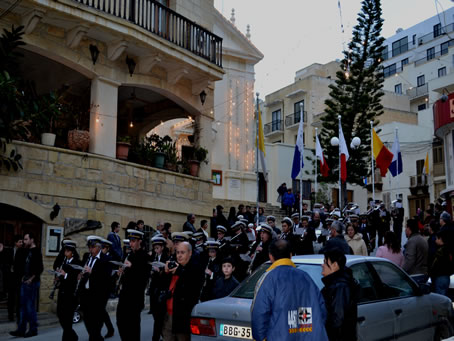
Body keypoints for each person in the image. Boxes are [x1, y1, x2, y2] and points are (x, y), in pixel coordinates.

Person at [251, 239, 328, 341]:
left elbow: (259, 314)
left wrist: (262, 338)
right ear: (291, 255)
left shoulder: (267, 278)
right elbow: (321, 310)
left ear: (270, 256)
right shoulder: (306, 277)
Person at [162, 242, 204, 341]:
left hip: (183, 318)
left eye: (182, 252)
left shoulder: (195, 268)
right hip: (168, 316)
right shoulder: (174, 266)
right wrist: (165, 273)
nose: (179, 255)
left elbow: (191, 289)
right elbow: (163, 287)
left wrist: (179, 271)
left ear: (190, 253)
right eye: (177, 253)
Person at [116, 229, 150, 341]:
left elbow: (143, 278)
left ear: (139, 241)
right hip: (124, 294)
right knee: (120, 322)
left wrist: (132, 267)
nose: (131, 244)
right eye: (130, 241)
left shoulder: (144, 256)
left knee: (133, 327)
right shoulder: (129, 255)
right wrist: (121, 271)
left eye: (133, 241)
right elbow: (127, 276)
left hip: (135, 297)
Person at [10, 232, 43, 338]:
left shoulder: (37, 251)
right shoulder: (25, 251)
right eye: (23, 239)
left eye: (26, 239)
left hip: (32, 283)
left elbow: (39, 268)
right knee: (22, 307)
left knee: (30, 307)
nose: (24, 241)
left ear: (32, 240)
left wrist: (31, 279)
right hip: (24, 282)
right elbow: (20, 265)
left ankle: (33, 329)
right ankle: (21, 329)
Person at [321, 248, 358, 341]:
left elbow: (337, 320)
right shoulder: (334, 285)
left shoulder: (340, 287)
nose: (322, 265)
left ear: (334, 265)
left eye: (325, 262)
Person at [78, 236, 110, 341]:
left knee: (96, 322)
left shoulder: (105, 259)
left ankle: (95, 337)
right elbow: (82, 270)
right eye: (89, 247)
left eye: (92, 247)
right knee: (87, 319)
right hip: (86, 294)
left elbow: (106, 278)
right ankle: (96, 337)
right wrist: (80, 275)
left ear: (98, 247)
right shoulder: (87, 256)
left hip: (98, 295)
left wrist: (93, 272)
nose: (90, 250)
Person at [56, 240, 81, 341]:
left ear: (72, 252)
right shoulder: (64, 261)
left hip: (70, 293)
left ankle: (67, 338)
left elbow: (75, 278)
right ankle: (72, 335)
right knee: (60, 314)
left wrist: (65, 275)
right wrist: (58, 275)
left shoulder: (77, 262)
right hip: (62, 291)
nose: (65, 253)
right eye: (65, 251)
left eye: (67, 251)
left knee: (67, 317)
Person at [148, 235, 170, 341]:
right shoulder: (154, 257)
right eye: (154, 248)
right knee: (156, 316)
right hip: (154, 291)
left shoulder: (167, 258)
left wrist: (160, 271)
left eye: (158, 247)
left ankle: (155, 338)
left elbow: (168, 276)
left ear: (162, 247)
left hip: (162, 290)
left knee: (159, 317)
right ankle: (163, 335)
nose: (156, 250)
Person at [429, 230, 453, 296]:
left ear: (441, 239)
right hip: (446, 277)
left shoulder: (441, 251)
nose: (435, 240)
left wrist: (431, 273)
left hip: (440, 277)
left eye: (437, 238)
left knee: (440, 297)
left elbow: (435, 265)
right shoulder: (448, 250)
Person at [6, 235, 23, 322]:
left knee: (19, 297)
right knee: (11, 297)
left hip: (18, 278)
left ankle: (18, 314)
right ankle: (10, 315)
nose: (21, 243)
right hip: (10, 278)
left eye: (22, 241)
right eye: (20, 242)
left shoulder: (23, 251)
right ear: (15, 243)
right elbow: (5, 262)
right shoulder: (9, 250)